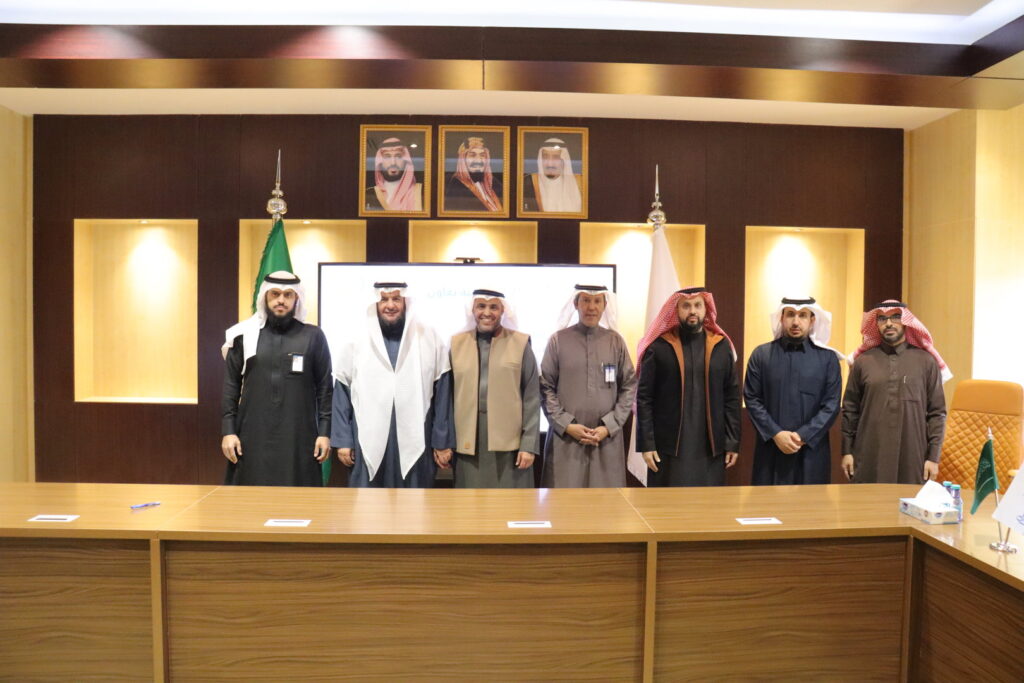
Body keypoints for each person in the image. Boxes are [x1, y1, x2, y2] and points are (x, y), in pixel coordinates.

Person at [331, 282, 454, 487]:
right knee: (368, 503)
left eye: (396, 299)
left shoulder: (428, 337)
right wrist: (343, 439)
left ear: (406, 302)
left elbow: (442, 394)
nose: (390, 305)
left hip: (418, 439)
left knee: (415, 501)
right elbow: (342, 392)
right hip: (366, 440)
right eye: (384, 299)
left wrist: (441, 441)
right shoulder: (356, 338)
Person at [220, 271, 332, 486]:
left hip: (299, 437)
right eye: (275, 294)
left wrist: (325, 433)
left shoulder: (314, 336)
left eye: (288, 294)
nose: (281, 300)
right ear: (265, 296)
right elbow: (231, 386)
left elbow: (325, 388)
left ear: (296, 298)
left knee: (299, 498)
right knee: (250, 498)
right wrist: (228, 431)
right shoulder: (243, 335)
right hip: (251, 436)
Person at [635, 286, 740, 486]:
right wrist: (646, 444)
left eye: (698, 305)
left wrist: (733, 442)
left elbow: (732, 397)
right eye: (686, 306)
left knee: (707, 502)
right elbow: (644, 399)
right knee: (668, 502)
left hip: (711, 448)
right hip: (668, 447)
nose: (692, 311)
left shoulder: (721, 346)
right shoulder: (659, 347)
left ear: (706, 309)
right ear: (676, 310)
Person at [841, 300, 949, 484]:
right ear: (876, 324)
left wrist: (933, 457)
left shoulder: (926, 362)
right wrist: (847, 451)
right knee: (867, 500)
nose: (889, 323)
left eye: (895, 317)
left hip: (913, 455)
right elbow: (850, 410)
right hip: (868, 454)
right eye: (882, 319)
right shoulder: (863, 362)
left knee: (909, 501)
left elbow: (937, 413)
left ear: (906, 321)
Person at [540, 285, 637, 487]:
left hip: (606, 441)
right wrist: (566, 425)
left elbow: (629, 386)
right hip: (566, 440)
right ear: (576, 304)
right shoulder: (558, 341)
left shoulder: (616, 342)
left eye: (597, 301)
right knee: (564, 501)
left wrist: (609, 426)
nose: (591, 307)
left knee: (606, 501)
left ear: (604, 305)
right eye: (585, 300)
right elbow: (545, 387)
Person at [743, 297, 844, 486]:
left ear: (812, 320)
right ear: (781, 318)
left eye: (802, 315)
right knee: (767, 502)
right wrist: (776, 434)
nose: (796, 322)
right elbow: (752, 398)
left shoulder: (828, 359)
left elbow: (831, 405)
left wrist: (802, 436)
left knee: (811, 504)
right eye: (790, 314)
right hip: (771, 451)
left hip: (812, 453)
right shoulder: (761, 355)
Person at [450, 289, 540, 488]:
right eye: (481, 306)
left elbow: (532, 397)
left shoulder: (520, 343)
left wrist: (528, 445)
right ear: (472, 309)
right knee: (469, 503)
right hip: (468, 443)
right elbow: (446, 397)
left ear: (503, 311)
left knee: (510, 503)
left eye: (493, 307)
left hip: (510, 446)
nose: (487, 313)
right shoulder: (457, 344)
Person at [521, 137, 583, 213]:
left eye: (555, 157)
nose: (550, 163)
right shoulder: (527, 183)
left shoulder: (580, 183)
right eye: (545, 157)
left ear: (564, 160)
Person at [444, 136, 503, 213]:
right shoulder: (454, 185)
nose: (478, 160)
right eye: (472, 155)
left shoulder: (494, 182)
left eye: (482, 155)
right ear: (463, 159)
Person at [364, 136, 423, 212]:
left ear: (406, 162)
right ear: (380, 162)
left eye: (398, 157)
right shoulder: (368, 194)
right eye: (387, 157)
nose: (393, 163)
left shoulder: (421, 193)